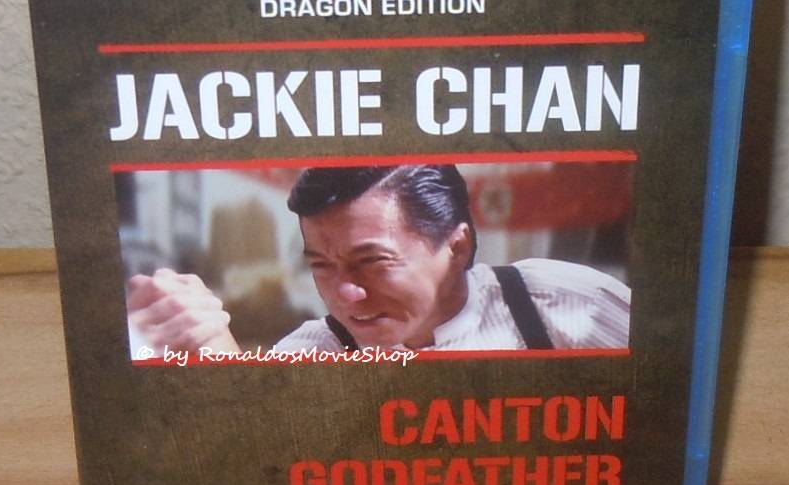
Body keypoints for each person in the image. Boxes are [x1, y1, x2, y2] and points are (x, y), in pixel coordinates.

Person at [126, 165, 630, 354]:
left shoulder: (561, 302)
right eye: (321, 265)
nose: (346, 295)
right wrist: (214, 351)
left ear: (457, 248)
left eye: (372, 261)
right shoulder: (314, 353)